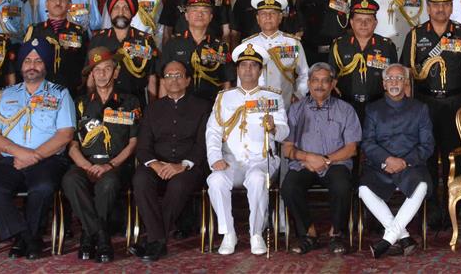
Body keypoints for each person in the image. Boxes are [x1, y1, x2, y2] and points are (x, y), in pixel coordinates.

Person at [0, 37, 77, 259]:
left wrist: (34, 156)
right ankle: (26, 237)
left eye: (38, 60)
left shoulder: (60, 94)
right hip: (11, 159)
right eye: (27, 60)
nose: (32, 65)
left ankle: (25, 238)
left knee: (42, 187)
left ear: (46, 65)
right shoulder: (5, 94)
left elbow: (65, 134)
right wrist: (20, 153)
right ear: (21, 65)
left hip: (48, 160)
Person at [403, 0, 461, 229]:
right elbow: (406, 70)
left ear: (451, 7)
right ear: (428, 7)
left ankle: (452, 209)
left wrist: (458, 84)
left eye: (445, 4)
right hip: (424, 103)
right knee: (425, 155)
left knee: (454, 156)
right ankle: (428, 209)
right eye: (436, 4)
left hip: (454, 104)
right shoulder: (416, 35)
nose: (440, 9)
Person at [206, 43, 290, 256]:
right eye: (244, 65)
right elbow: (213, 131)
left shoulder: (272, 97)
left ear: (260, 70)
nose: (248, 70)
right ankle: (228, 234)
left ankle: (256, 233)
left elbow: (284, 132)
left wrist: (273, 128)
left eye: (253, 66)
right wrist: (215, 158)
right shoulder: (224, 97)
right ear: (237, 69)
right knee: (215, 180)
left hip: (261, 159)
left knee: (257, 179)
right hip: (231, 160)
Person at [61, 48, 141, 262]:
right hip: (85, 163)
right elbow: (72, 143)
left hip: (115, 165)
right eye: (98, 70)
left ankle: (88, 235)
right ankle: (101, 235)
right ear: (92, 75)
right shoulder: (80, 103)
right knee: (70, 180)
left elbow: (133, 142)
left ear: (115, 73)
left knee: (108, 183)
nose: (103, 74)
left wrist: (110, 165)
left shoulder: (130, 102)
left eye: (107, 69)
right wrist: (86, 166)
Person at [130, 58, 211, 261]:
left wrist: (182, 165)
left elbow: (203, 145)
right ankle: (159, 241)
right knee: (140, 179)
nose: (173, 80)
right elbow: (143, 147)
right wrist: (156, 165)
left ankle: (153, 240)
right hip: (157, 165)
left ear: (187, 80)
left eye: (178, 75)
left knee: (178, 184)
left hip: (189, 167)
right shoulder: (152, 109)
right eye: (168, 76)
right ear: (163, 81)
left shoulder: (202, 107)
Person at [281, 62, 362, 255]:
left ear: (333, 84)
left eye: (325, 81)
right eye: (315, 81)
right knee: (289, 187)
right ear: (308, 83)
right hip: (304, 164)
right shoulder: (295, 110)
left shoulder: (346, 109)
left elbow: (351, 149)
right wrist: (309, 157)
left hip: (336, 163)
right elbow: (287, 149)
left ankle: (336, 234)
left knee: (342, 186)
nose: (320, 85)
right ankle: (308, 234)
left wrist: (325, 160)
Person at [358, 64, 434, 258]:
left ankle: (388, 239)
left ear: (406, 83)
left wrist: (404, 162)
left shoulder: (420, 108)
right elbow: (367, 142)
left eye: (399, 78)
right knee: (363, 189)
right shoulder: (373, 109)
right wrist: (386, 160)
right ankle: (404, 237)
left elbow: (427, 145)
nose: (394, 82)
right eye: (390, 79)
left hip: (410, 165)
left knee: (422, 186)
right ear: (384, 84)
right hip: (380, 165)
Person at [331, 0, 398, 123]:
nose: (363, 24)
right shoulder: (339, 45)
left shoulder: (386, 46)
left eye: (368, 20)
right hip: (346, 105)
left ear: (375, 23)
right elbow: (332, 79)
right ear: (351, 22)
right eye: (359, 20)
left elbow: (394, 77)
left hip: (378, 106)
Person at [90, 0, 160, 104]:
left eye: (126, 8)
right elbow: (90, 76)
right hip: (102, 103)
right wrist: (90, 105)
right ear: (110, 12)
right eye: (116, 8)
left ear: (132, 13)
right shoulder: (98, 39)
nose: (120, 12)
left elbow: (151, 78)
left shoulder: (146, 40)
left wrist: (152, 110)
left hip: (136, 102)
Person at [236, 0, 308, 102]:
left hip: (285, 102)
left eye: (273, 13)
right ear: (258, 19)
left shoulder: (293, 43)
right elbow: (241, 77)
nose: (268, 17)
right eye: (263, 14)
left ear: (280, 18)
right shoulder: (248, 45)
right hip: (254, 103)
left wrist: (298, 94)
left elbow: (305, 73)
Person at [160, 0, 232, 100]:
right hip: (179, 106)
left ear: (211, 17)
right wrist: (165, 108)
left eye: (204, 11)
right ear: (186, 16)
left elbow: (226, 82)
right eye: (194, 10)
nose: (199, 14)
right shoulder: (172, 45)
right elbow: (163, 81)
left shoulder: (220, 47)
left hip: (211, 106)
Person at [22, 0, 90, 96]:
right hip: (39, 91)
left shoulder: (79, 32)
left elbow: (86, 64)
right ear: (46, 4)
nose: (58, 3)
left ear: (69, 4)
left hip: (70, 91)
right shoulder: (34, 31)